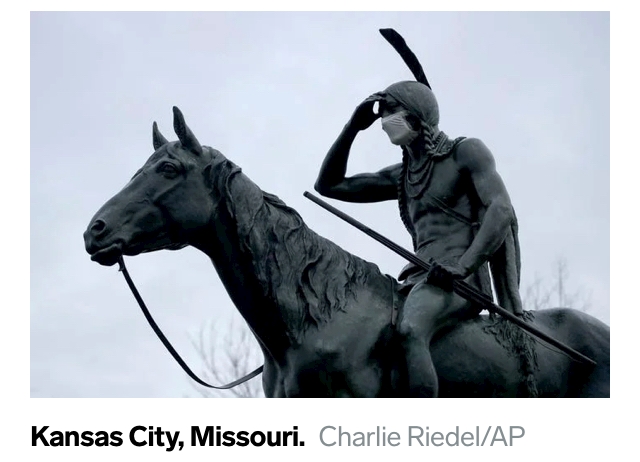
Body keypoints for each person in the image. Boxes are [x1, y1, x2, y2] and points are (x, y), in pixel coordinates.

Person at [314, 79, 523, 397]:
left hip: (460, 279)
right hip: (416, 277)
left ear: (416, 113)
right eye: (383, 113)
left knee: (411, 329)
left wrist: (463, 266)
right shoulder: (403, 175)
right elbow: (329, 185)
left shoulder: (465, 152)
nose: (385, 120)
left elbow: (500, 209)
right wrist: (353, 127)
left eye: (391, 110)